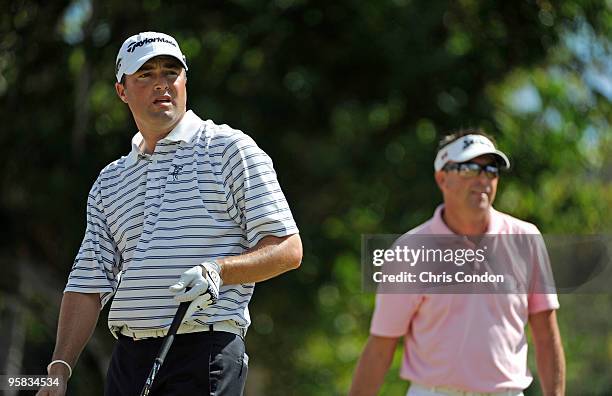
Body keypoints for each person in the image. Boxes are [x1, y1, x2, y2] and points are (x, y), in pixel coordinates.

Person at [37, 31, 302, 396]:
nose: (161, 84)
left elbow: (288, 249)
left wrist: (219, 271)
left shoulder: (229, 149)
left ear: (184, 81)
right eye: (145, 74)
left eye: (170, 72)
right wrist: (60, 367)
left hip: (204, 352)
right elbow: (88, 283)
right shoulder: (111, 180)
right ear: (122, 91)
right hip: (128, 359)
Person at [349, 130, 565, 396]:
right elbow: (381, 346)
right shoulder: (409, 250)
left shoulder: (526, 239)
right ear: (442, 178)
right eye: (470, 168)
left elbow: (546, 335)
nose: (483, 178)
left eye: (491, 170)